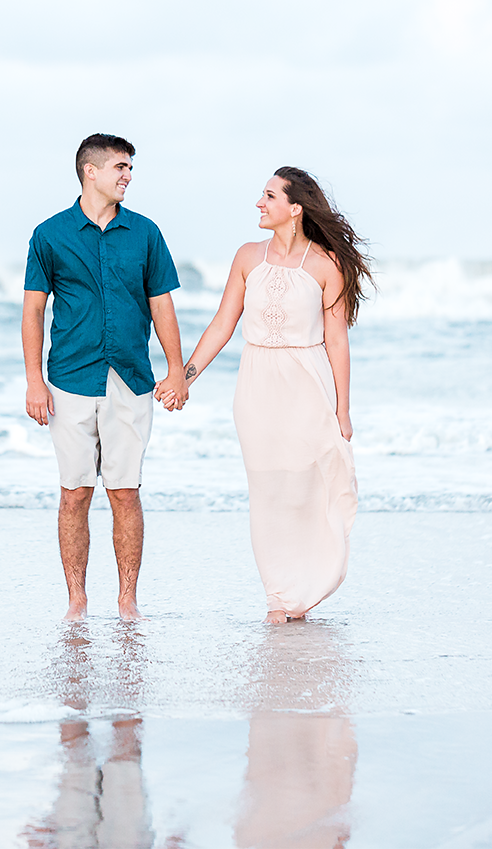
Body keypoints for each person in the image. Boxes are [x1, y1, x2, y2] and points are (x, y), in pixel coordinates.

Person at [158, 167, 373, 623]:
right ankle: (280, 596)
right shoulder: (247, 258)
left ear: (295, 209)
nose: (259, 203)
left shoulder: (325, 264)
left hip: (306, 383)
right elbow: (222, 324)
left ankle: (305, 585)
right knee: (268, 492)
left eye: (269, 196)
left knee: (304, 487)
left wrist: (343, 409)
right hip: (256, 387)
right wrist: (185, 377)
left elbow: (337, 340)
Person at [23, 133, 187, 622]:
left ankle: (127, 602)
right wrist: (34, 380)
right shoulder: (49, 234)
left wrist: (176, 369)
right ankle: (77, 601)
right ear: (89, 171)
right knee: (74, 493)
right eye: (120, 167)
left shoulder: (146, 233)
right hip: (69, 378)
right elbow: (34, 311)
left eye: (130, 168)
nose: (127, 176)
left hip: (131, 377)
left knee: (125, 491)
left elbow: (162, 304)